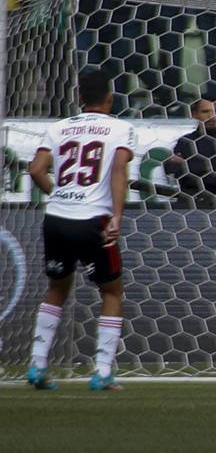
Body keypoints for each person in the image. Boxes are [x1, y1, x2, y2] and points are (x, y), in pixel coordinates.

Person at [26, 69, 135, 391]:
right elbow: (118, 169)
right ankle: (102, 372)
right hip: (93, 221)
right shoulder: (120, 128)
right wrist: (116, 216)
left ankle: (36, 366)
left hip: (57, 219)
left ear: (79, 99)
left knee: (57, 288)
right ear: (110, 98)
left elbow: (35, 170)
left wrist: (60, 194)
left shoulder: (59, 128)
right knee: (112, 291)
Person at [163, 96, 216, 207]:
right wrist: (206, 168)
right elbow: (172, 170)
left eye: (215, 112)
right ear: (195, 114)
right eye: (205, 111)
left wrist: (185, 164)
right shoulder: (185, 141)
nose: (211, 116)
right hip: (187, 202)